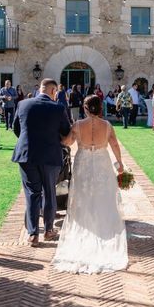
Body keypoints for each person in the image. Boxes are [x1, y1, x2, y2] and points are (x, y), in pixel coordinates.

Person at [52, 95, 127, 273]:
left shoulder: (78, 125)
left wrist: (60, 134)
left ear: (85, 108)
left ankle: (86, 228)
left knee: (82, 196)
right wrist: (120, 164)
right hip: (102, 161)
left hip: (83, 161)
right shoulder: (107, 126)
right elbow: (115, 145)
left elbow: (67, 142)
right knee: (103, 195)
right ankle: (104, 230)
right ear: (100, 108)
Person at [12, 78, 72, 247]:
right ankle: (48, 230)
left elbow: (17, 128)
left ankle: (32, 234)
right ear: (53, 91)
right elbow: (66, 132)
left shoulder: (23, 104)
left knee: (32, 193)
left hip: (26, 155)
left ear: (40, 89)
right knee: (49, 193)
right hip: (50, 156)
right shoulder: (58, 108)